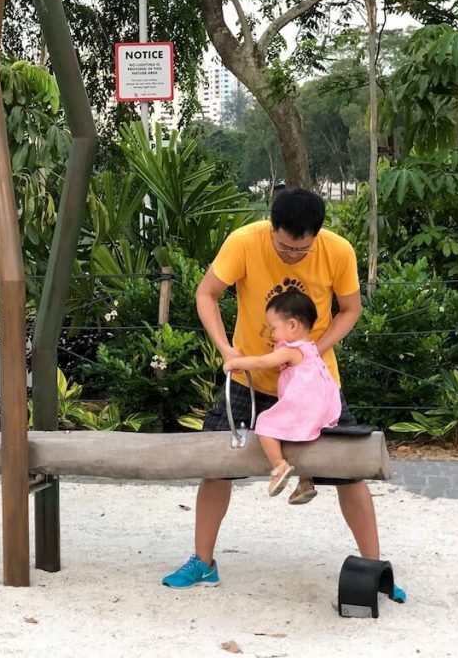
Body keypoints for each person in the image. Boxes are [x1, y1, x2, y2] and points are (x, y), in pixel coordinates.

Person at [161, 188, 405, 603]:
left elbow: (350, 308)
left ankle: (374, 565)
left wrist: (313, 353)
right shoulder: (244, 241)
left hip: (315, 384)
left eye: (302, 249)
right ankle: (203, 562)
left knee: (350, 472)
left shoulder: (338, 251)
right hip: (249, 382)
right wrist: (227, 350)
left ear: (317, 236)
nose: (293, 255)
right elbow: (207, 294)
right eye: (285, 247)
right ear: (271, 228)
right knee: (215, 467)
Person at [222, 289, 341, 503]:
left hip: (304, 407)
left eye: (274, 328)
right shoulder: (310, 348)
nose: (271, 334)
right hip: (323, 408)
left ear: (292, 325)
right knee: (302, 440)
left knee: (265, 424)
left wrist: (235, 362)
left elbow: (261, 362)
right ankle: (306, 481)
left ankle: (279, 466)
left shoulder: (291, 349)